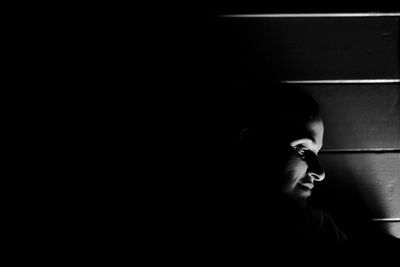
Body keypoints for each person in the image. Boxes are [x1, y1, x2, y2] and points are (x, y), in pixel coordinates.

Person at [206, 81, 348, 261]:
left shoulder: (320, 227)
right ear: (254, 145)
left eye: (317, 153)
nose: (320, 173)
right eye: (303, 150)